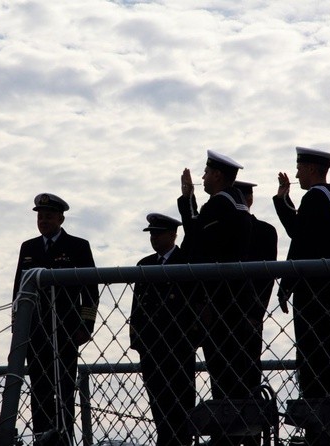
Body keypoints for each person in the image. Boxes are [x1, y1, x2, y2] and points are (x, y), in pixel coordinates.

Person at [273, 147, 330, 445]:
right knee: (327, 357)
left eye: (299, 168)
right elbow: (306, 232)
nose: (296, 174)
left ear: (312, 169)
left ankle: (318, 429)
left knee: (312, 359)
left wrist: (287, 283)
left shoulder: (316, 197)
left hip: (312, 290)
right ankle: (329, 428)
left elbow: (300, 239)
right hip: (329, 288)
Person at [177, 150, 253, 444]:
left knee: (224, 376)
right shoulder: (236, 204)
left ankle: (228, 436)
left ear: (218, 175)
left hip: (219, 303)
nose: (203, 177)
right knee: (234, 376)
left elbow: (197, 243)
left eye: (207, 172)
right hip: (234, 303)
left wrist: (187, 199)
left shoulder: (220, 206)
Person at [12, 193, 99, 446]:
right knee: (38, 393)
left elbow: (90, 291)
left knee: (63, 392)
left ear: (61, 218)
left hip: (66, 331)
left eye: (49, 216)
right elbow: (18, 290)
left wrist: (86, 326)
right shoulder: (29, 248)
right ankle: (41, 440)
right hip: (35, 333)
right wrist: (18, 328)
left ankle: (64, 440)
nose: (43, 220)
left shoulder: (78, 247)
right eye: (40, 216)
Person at [129, 213, 197, 446]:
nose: (154, 238)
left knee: (181, 403)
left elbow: (195, 305)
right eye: (152, 234)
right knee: (158, 402)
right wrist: (137, 341)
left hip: (179, 345)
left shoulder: (186, 261)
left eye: (158, 233)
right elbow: (137, 307)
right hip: (151, 346)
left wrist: (192, 339)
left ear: (172, 234)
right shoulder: (144, 265)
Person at [233, 180, 277, 389]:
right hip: (221, 313)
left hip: (249, 312)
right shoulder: (223, 231)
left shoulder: (265, 232)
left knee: (249, 372)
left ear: (250, 200)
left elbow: (266, 278)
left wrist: (256, 312)